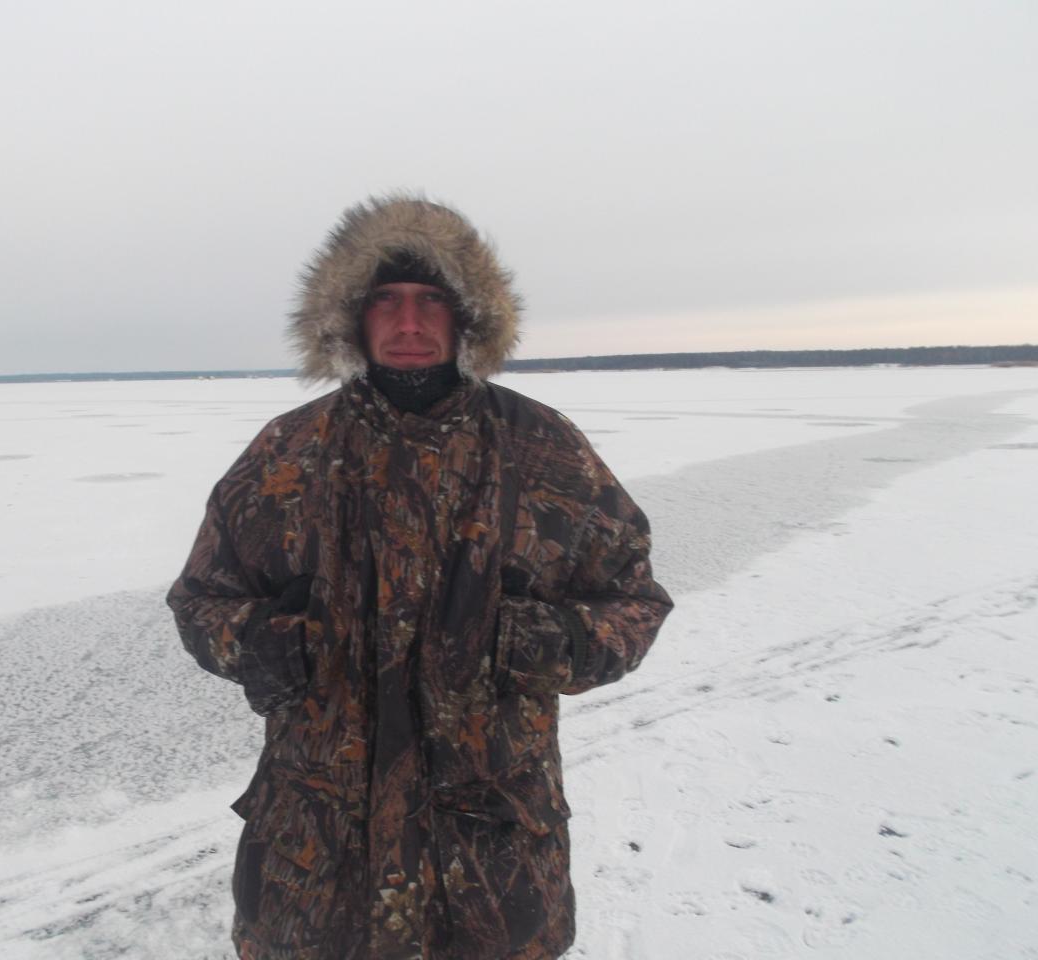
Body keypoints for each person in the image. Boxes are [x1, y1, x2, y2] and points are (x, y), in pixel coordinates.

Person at [167, 194, 673, 959]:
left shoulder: (542, 447)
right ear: (350, 316)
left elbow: (632, 599)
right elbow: (202, 599)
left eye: (431, 299)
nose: (409, 323)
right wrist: (271, 644)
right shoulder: (288, 451)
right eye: (387, 300)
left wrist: (540, 642)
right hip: (316, 850)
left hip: (488, 854)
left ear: (468, 316)